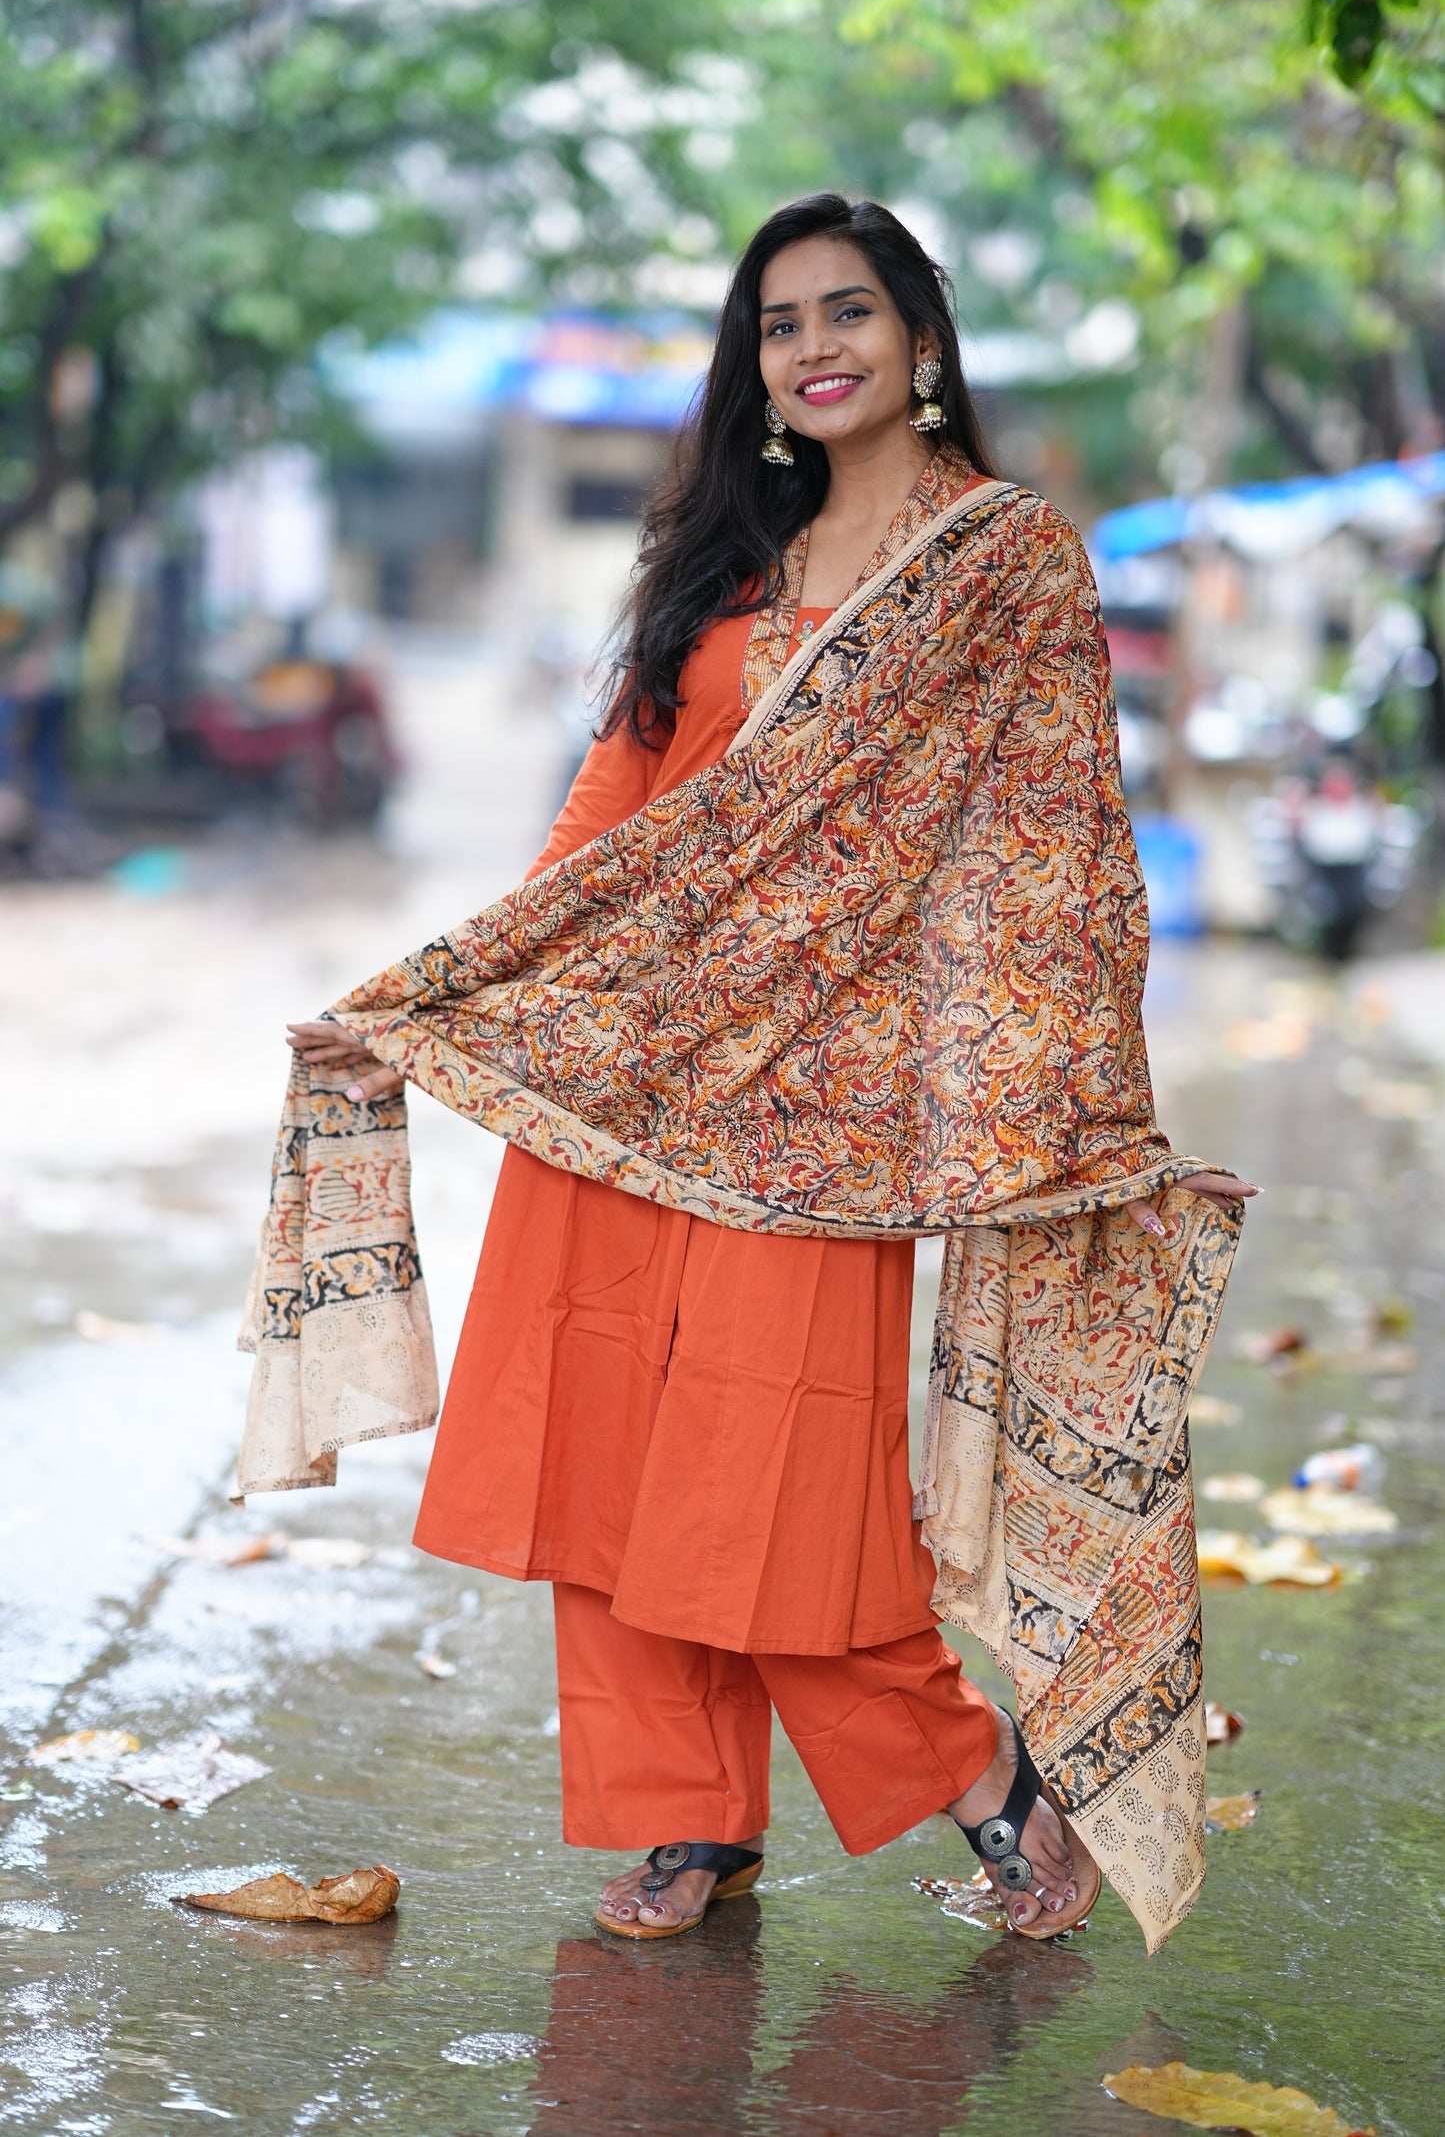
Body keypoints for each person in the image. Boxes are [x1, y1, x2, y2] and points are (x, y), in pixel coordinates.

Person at [264, 195, 1254, 1952]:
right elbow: (609, 815)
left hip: (834, 1112)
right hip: (628, 1080)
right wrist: (438, 999)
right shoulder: (727, 564)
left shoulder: (1002, 561)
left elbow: (1050, 855)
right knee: (602, 1459)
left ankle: (977, 1777)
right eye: (778, 322)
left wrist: (1080, 1114)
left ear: (921, 338)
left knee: (769, 1476)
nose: (813, 346)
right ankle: (684, 1823)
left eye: (847, 310)